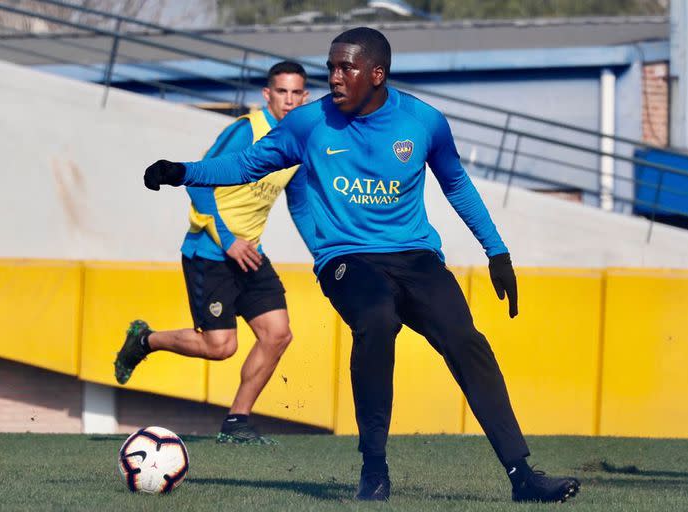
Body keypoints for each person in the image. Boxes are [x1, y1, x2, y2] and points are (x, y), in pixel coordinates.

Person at [141, 28, 581, 503]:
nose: (334, 77)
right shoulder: (308, 124)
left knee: (465, 339)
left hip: (416, 257)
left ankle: (522, 476)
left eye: (345, 68)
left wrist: (497, 252)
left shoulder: (423, 121)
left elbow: (456, 185)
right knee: (376, 319)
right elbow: (246, 165)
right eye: (330, 67)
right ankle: (373, 468)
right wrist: (183, 172)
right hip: (346, 258)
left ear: (376, 74)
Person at [114, 61, 315, 445]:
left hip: (250, 254)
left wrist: (322, 254)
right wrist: (228, 240)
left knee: (278, 334)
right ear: (267, 94)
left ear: (305, 97)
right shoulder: (246, 131)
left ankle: (237, 423)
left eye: (296, 93)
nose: (289, 100)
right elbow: (200, 183)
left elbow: (301, 204)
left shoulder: (299, 143)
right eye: (282, 92)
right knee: (221, 347)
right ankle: (144, 340)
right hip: (210, 251)